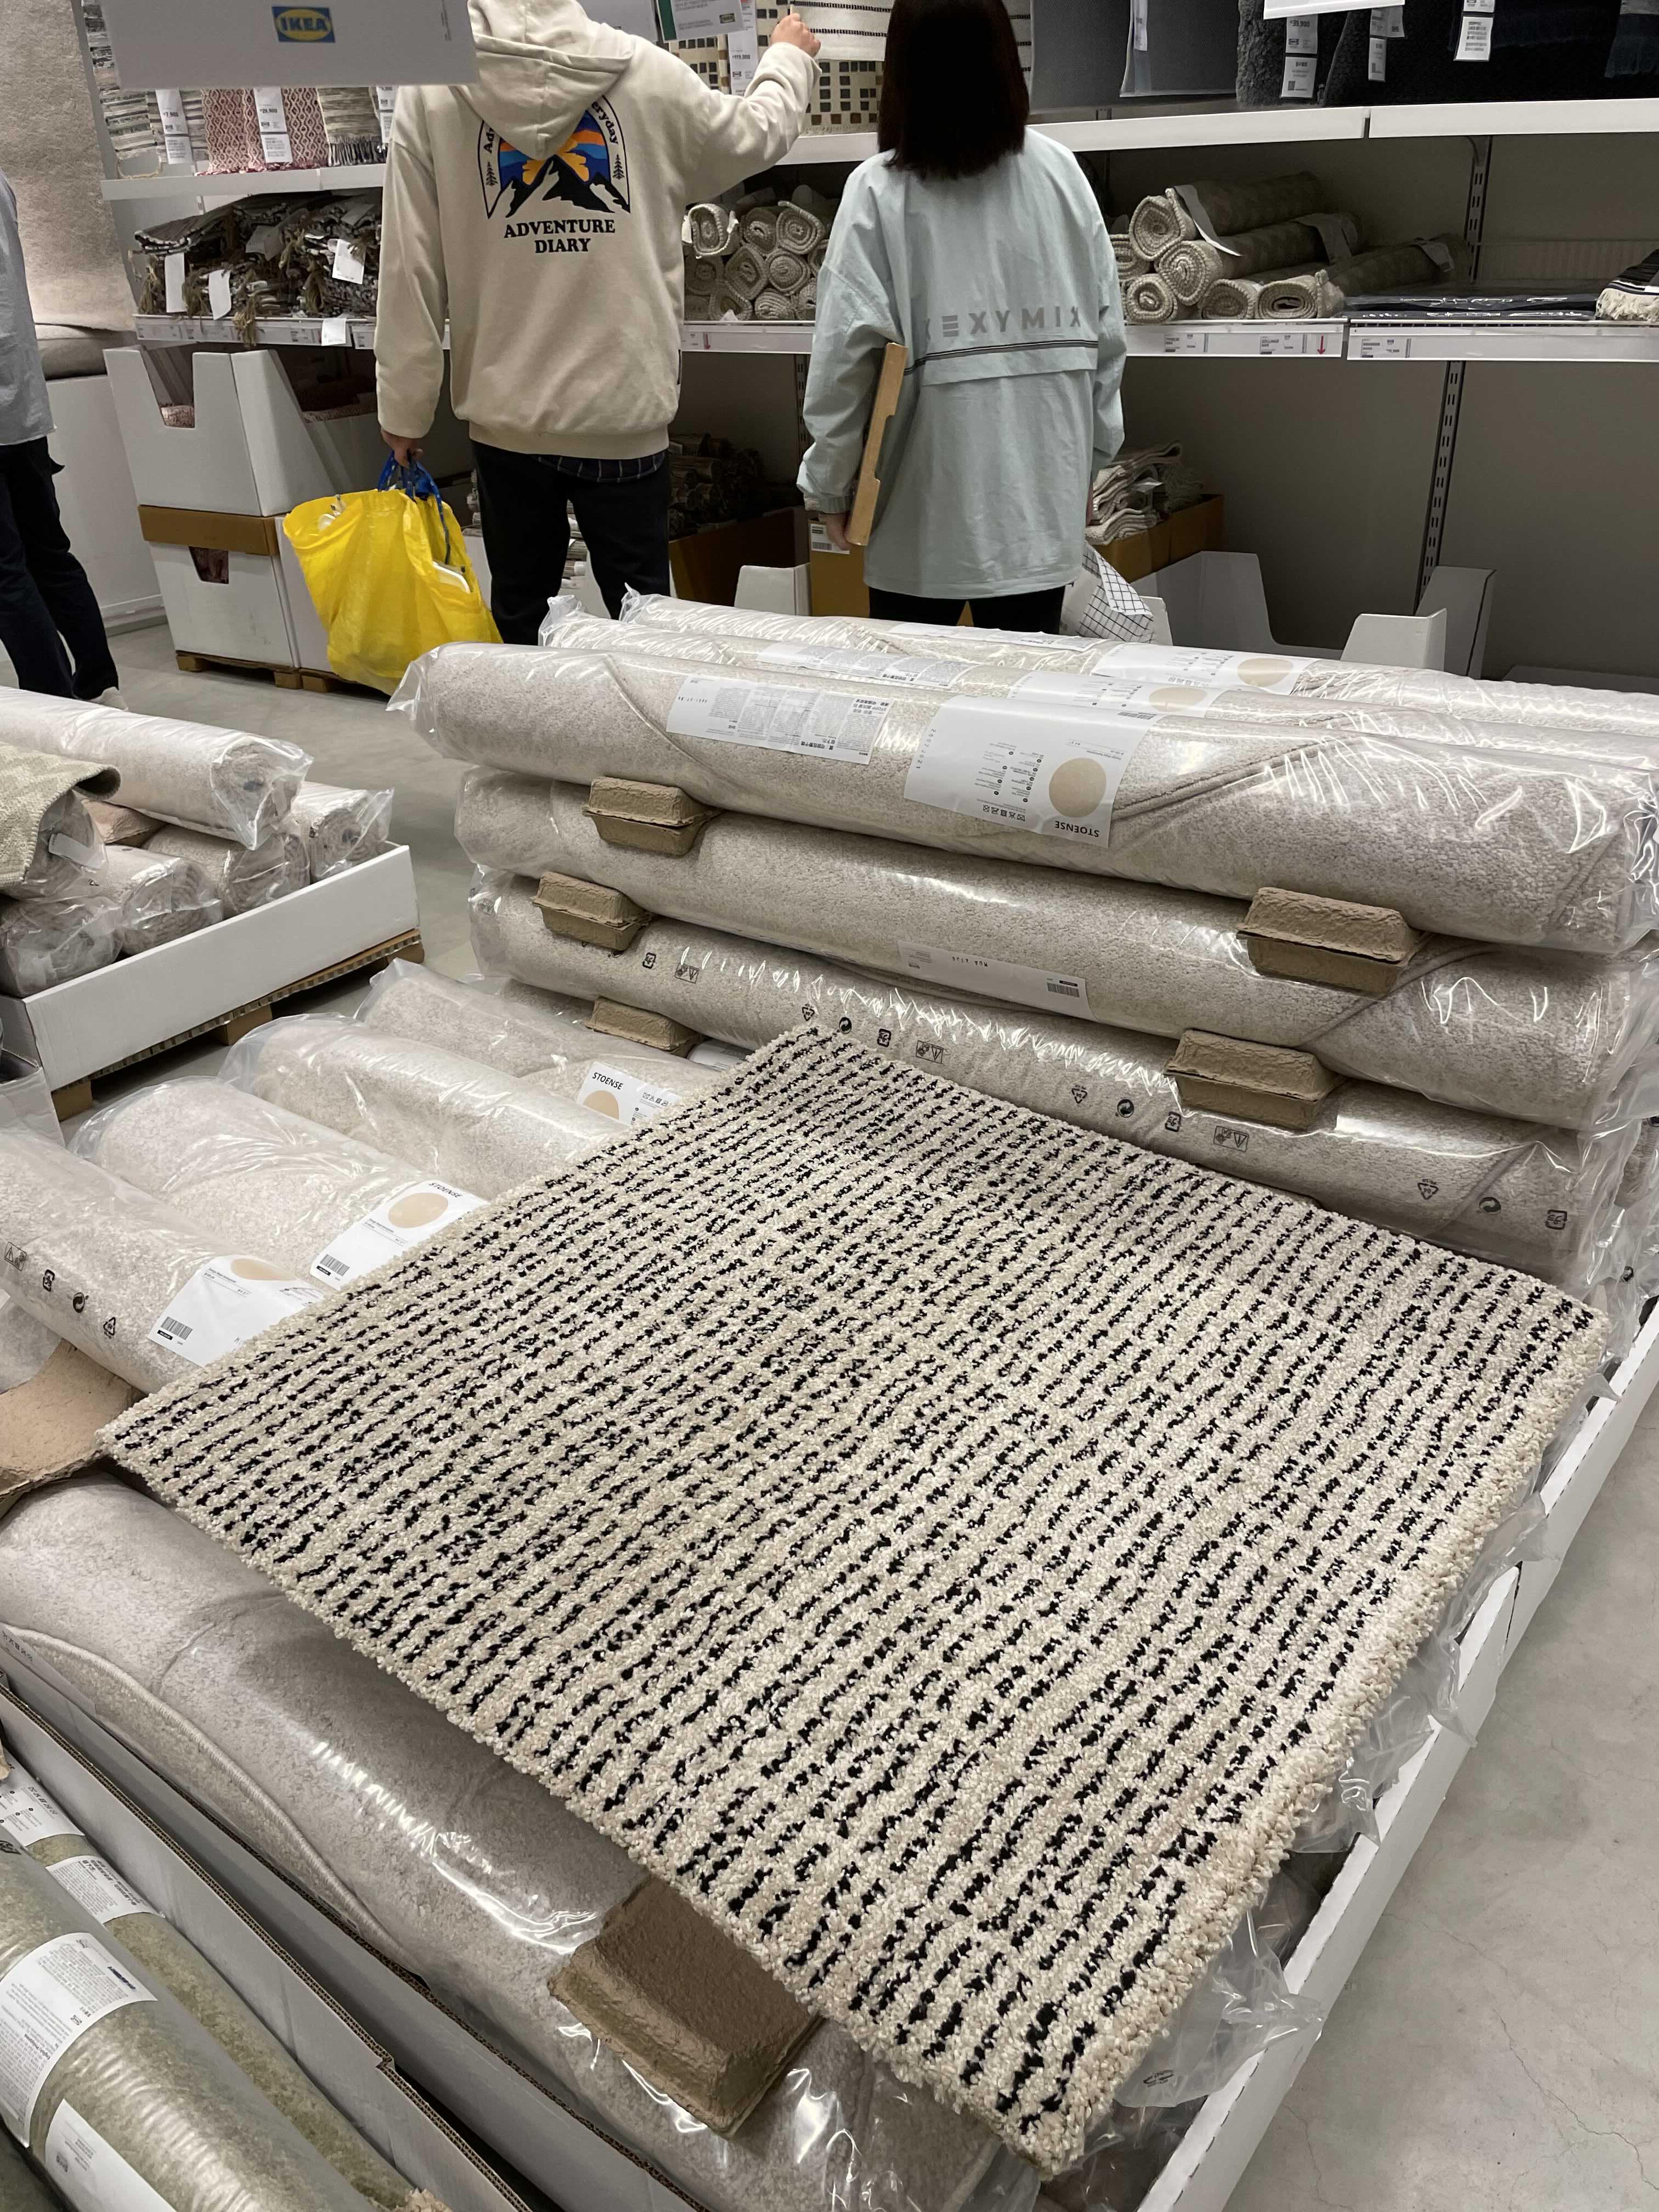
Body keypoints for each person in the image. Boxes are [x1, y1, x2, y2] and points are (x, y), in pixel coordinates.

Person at [376, 0, 821, 639]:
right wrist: (786, 59)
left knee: (522, 620)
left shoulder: (432, 95)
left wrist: (404, 408)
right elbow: (754, 134)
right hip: (622, 411)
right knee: (643, 623)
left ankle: (529, 708)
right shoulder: (645, 74)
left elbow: (409, 262)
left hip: (508, 419)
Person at [798, 0, 1125, 634]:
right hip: (1038, 518)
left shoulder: (878, 193)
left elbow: (842, 366)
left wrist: (831, 488)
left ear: (901, 71)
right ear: (1006, 60)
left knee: (911, 693)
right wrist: (1087, 465)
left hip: (919, 525)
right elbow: (1107, 345)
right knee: (1026, 696)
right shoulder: (1063, 176)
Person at [0, 168, 121, 701]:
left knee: (6, 572)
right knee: (47, 553)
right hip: (20, 398)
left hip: (16, 396)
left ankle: (56, 706)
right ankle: (100, 686)